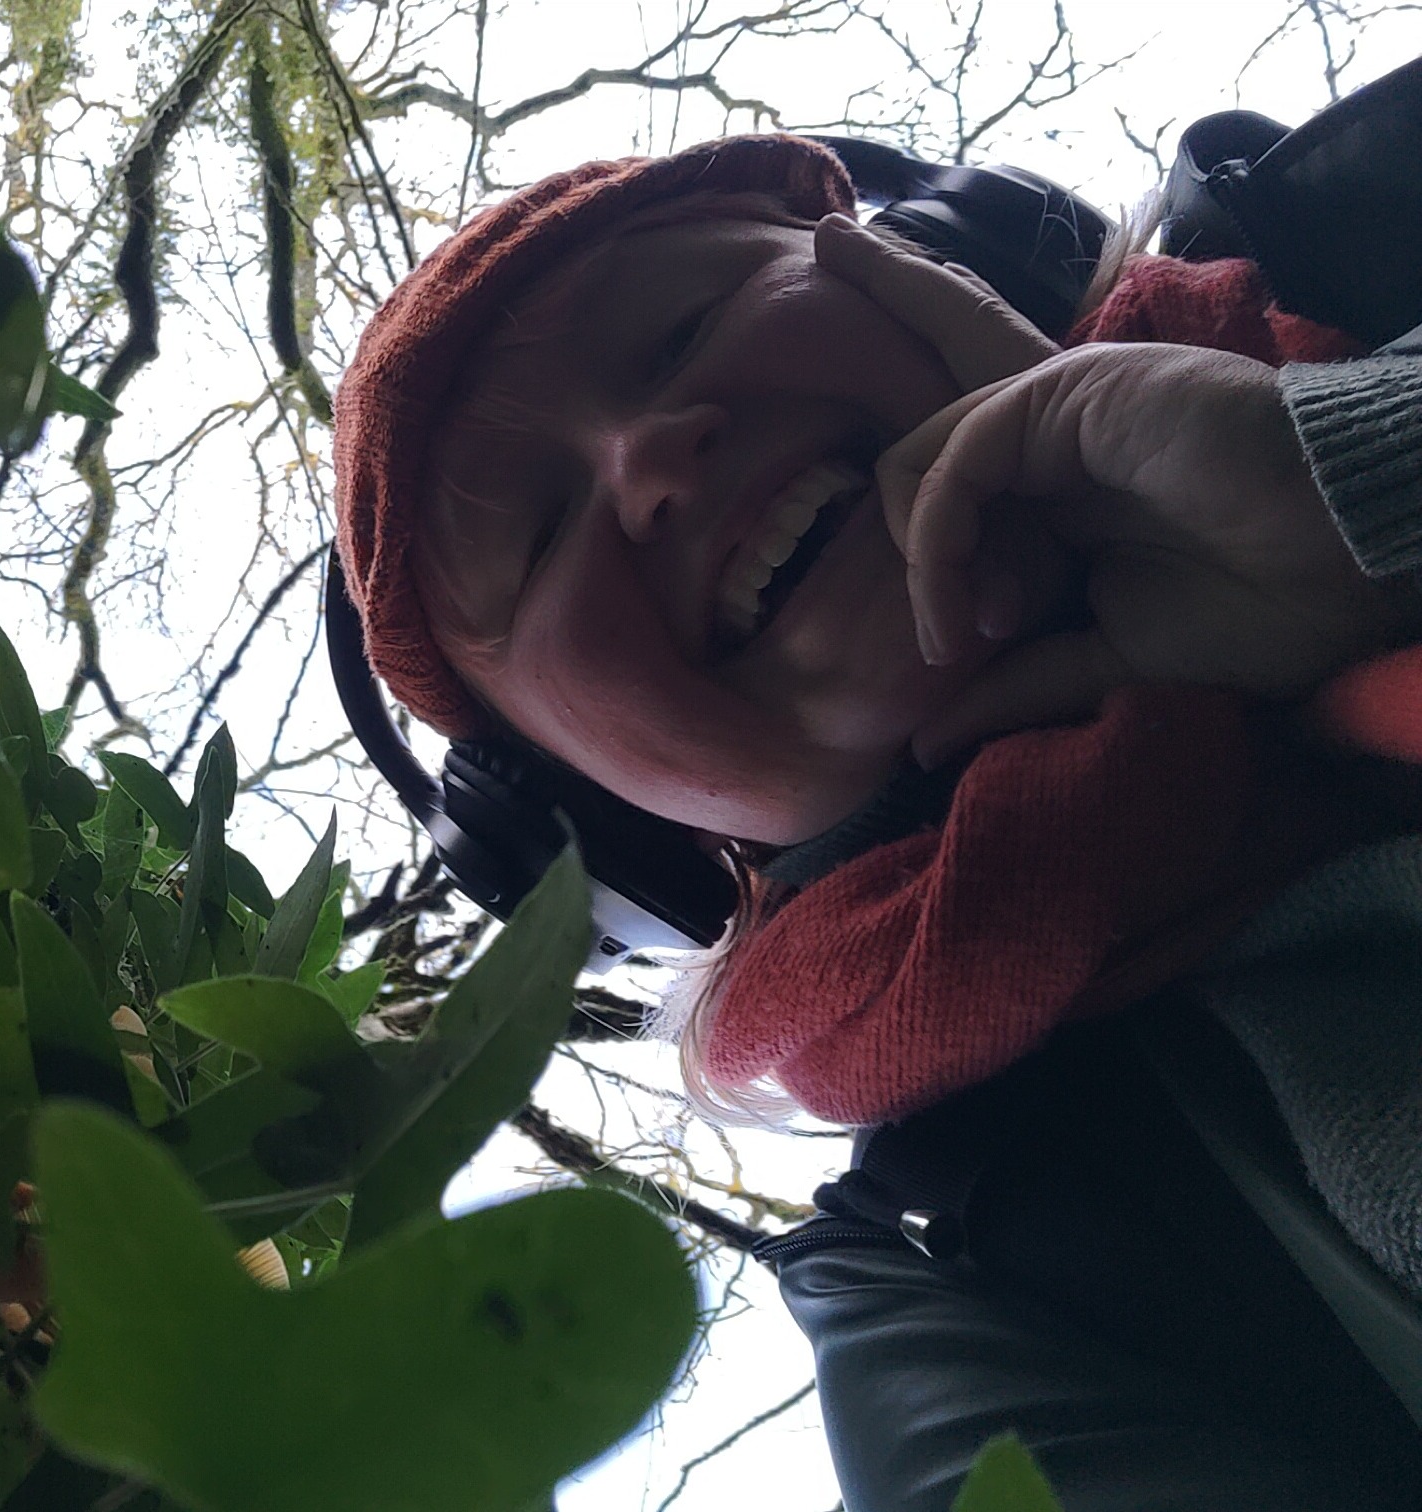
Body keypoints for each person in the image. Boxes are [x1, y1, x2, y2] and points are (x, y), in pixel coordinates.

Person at [332, 128, 1422, 1509]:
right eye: (542, 539)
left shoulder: (1368, 233)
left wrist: (1367, 490)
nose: (650, 457)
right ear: (639, 841)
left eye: (683, 329)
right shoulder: (965, 1291)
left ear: (924, 264)